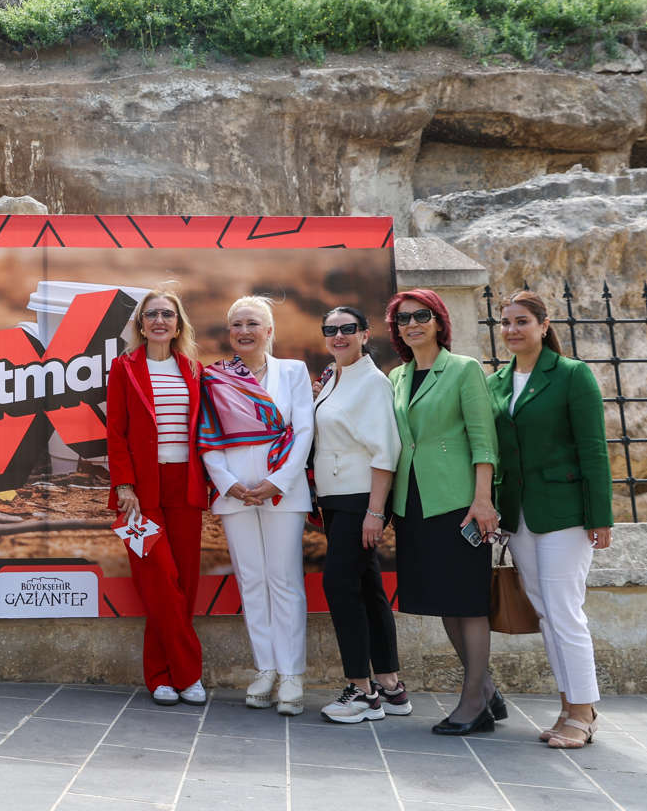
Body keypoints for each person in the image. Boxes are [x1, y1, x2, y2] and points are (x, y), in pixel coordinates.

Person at [489, 290, 613, 749]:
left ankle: (583, 713)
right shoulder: (497, 382)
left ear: (543, 326)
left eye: (522, 321)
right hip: (519, 515)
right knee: (545, 612)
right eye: (506, 322)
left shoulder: (571, 375)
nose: (512, 329)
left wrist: (600, 516)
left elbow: (593, 449)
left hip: (565, 512)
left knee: (564, 611)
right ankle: (569, 707)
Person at [386, 288, 501, 736]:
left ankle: (473, 701)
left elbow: (483, 438)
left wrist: (483, 499)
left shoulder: (464, 369)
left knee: (468, 602)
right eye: (403, 319)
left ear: (439, 321)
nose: (412, 324)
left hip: (459, 502)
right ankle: (484, 687)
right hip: (414, 501)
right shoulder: (397, 376)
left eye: (421, 316)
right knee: (445, 602)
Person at [198, 295, 314, 716]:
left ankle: (292, 674)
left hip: (283, 491)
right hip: (235, 495)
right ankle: (265, 668)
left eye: (252, 324)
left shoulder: (293, 371)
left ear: (269, 331)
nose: (244, 331)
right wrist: (228, 484)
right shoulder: (215, 377)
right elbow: (207, 436)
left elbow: (304, 431)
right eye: (237, 325)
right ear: (229, 332)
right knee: (251, 579)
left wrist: (276, 482)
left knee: (284, 578)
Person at [106, 290, 208, 707]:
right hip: (139, 494)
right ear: (141, 325)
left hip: (185, 486)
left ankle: (162, 676)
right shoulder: (124, 367)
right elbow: (116, 432)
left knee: (183, 583)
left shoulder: (194, 370)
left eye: (168, 314)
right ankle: (187, 674)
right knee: (159, 581)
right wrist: (123, 485)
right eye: (152, 315)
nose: (160, 320)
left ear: (178, 324)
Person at [311, 306, 411, 723]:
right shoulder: (336, 377)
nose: (339, 336)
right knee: (368, 587)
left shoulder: (372, 382)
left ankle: (361, 691)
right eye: (331, 329)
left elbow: (386, 450)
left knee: (339, 586)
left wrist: (374, 511)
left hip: (359, 499)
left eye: (348, 329)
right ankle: (390, 684)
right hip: (336, 500)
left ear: (366, 334)